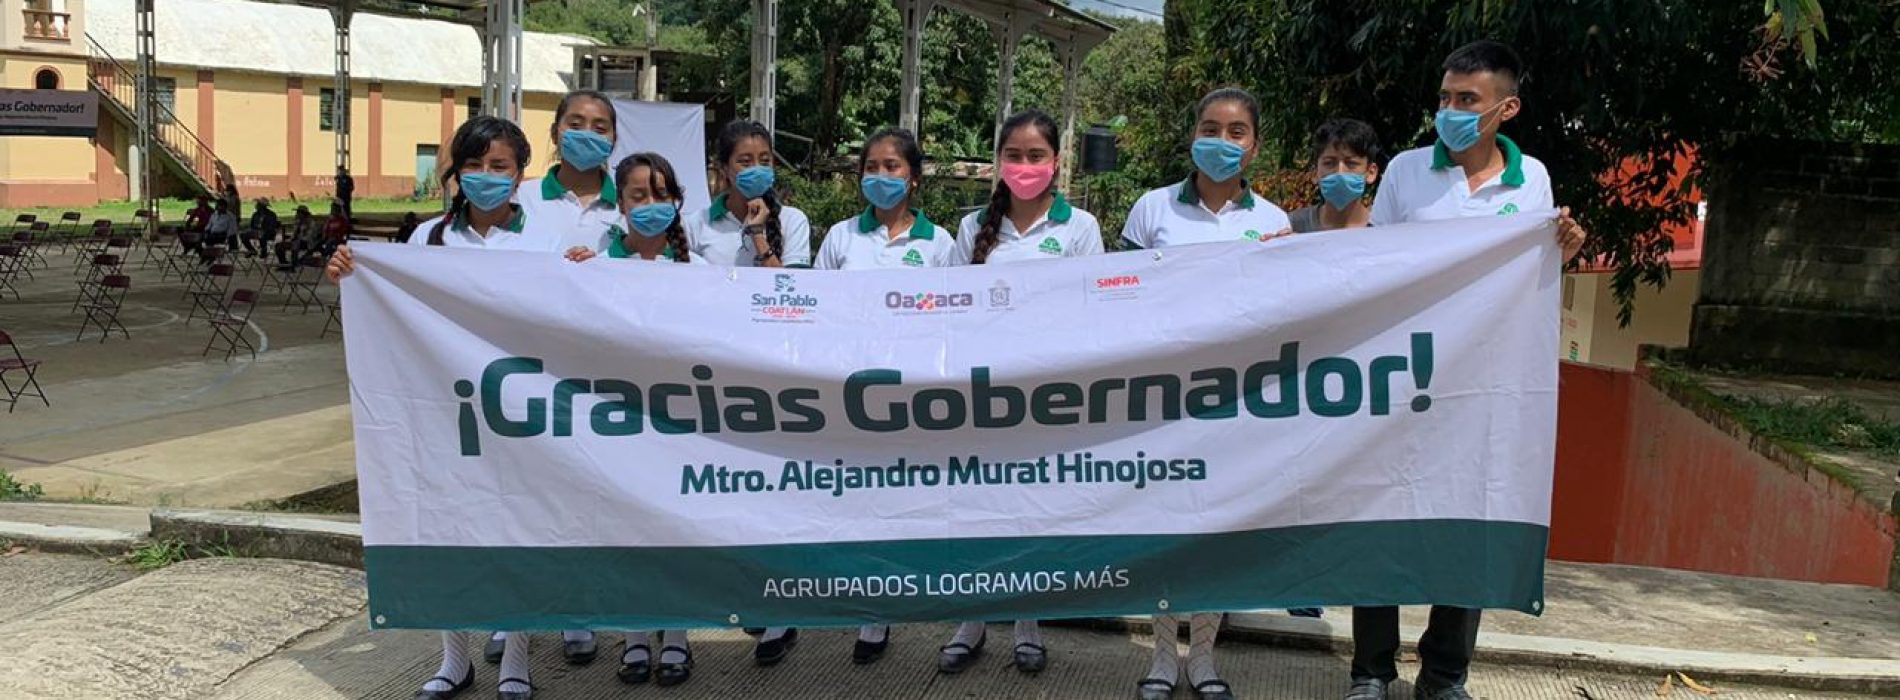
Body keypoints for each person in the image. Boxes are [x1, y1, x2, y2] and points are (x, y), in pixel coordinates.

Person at [1348, 40, 1585, 700]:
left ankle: (1445, 675)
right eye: (1445, 98)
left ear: (1506, 108)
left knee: (1468, 519)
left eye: (1467, 101)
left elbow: (1532, 270)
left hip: (1483, 385)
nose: (1450, 111)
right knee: (1382, 516)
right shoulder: (1404, 172)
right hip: (1404, 376)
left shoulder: (1531, 180)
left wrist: (1567, 243)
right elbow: (1377, 267)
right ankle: (1371, 671)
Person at [325, 115, 557, 700]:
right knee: (447, 527)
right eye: (472, 166)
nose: (484, 177)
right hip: (442, 408)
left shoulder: (544, 241)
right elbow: (392, 304)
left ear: (519, 173)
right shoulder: (427, 239)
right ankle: (455, 658)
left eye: (498, 166)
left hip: (516, 408)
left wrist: (581, 272)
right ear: (455, 174)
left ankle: (516, 662)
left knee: (517, 532)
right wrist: (351, 274)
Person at [1117, 86, 1292, 700]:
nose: (1222, 141)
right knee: (1165, 524)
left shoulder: (1274, 224)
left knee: (1219, 526)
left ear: (1254, 144)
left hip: (1238, 399)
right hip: (1162, 397)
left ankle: (1205, 658)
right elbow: (1120, 298)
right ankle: (1163, 657)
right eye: (1210, 127)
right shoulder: (1151, 210)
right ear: (1192, 132)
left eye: (1236, 131)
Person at [936, 109, 1103, 677]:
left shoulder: (1079, 228)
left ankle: (1028, 623)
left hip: (1047, 395)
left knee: (1032, 508)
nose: (1025, 166)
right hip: (980, 394)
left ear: (1056, 162)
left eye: (1037, 156)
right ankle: (973, 619)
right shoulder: (968, 229)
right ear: (998, 161)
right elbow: (950, 313)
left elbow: (1093, 310)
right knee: (978, 509)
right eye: (1014, 155)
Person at [560, 152, 703, 687]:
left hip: (680, 424)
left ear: (676, 203)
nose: (649, 206)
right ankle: (637, 635)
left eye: (660, 195)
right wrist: (572, 279)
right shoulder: (591, 262)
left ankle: (678, 637)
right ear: (618, 204)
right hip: (616, 422)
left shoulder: (699, 272)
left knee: (678, 532)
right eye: (638, 197)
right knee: (628, 532)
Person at [813, 127, 958, 271]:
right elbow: (818, 290)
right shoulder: (841, 235)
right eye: (871, 168)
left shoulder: (938, 242)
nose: (880, 175)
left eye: (891, 166)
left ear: (914, 177)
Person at [686, 119, 813, 269]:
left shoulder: (793, 221)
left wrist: (758, 235)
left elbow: (793, 286)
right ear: (724, 168)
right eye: (745, 162)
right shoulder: (697, 224)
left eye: (765, 161)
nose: (757, 169)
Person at [520, 89, 623, 264]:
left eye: (600, 129)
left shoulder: (628, 206)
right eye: (575, 125)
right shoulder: (522, 198)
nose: (587, 135)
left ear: (614, 141)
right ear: (554, 133)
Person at [1287, 118, 1382, 234]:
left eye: (1351, 163)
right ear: (1315, 172)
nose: (1340, 172)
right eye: (1329, 163)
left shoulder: (1383, 231)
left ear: (1371, 172)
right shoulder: (1291, 225)